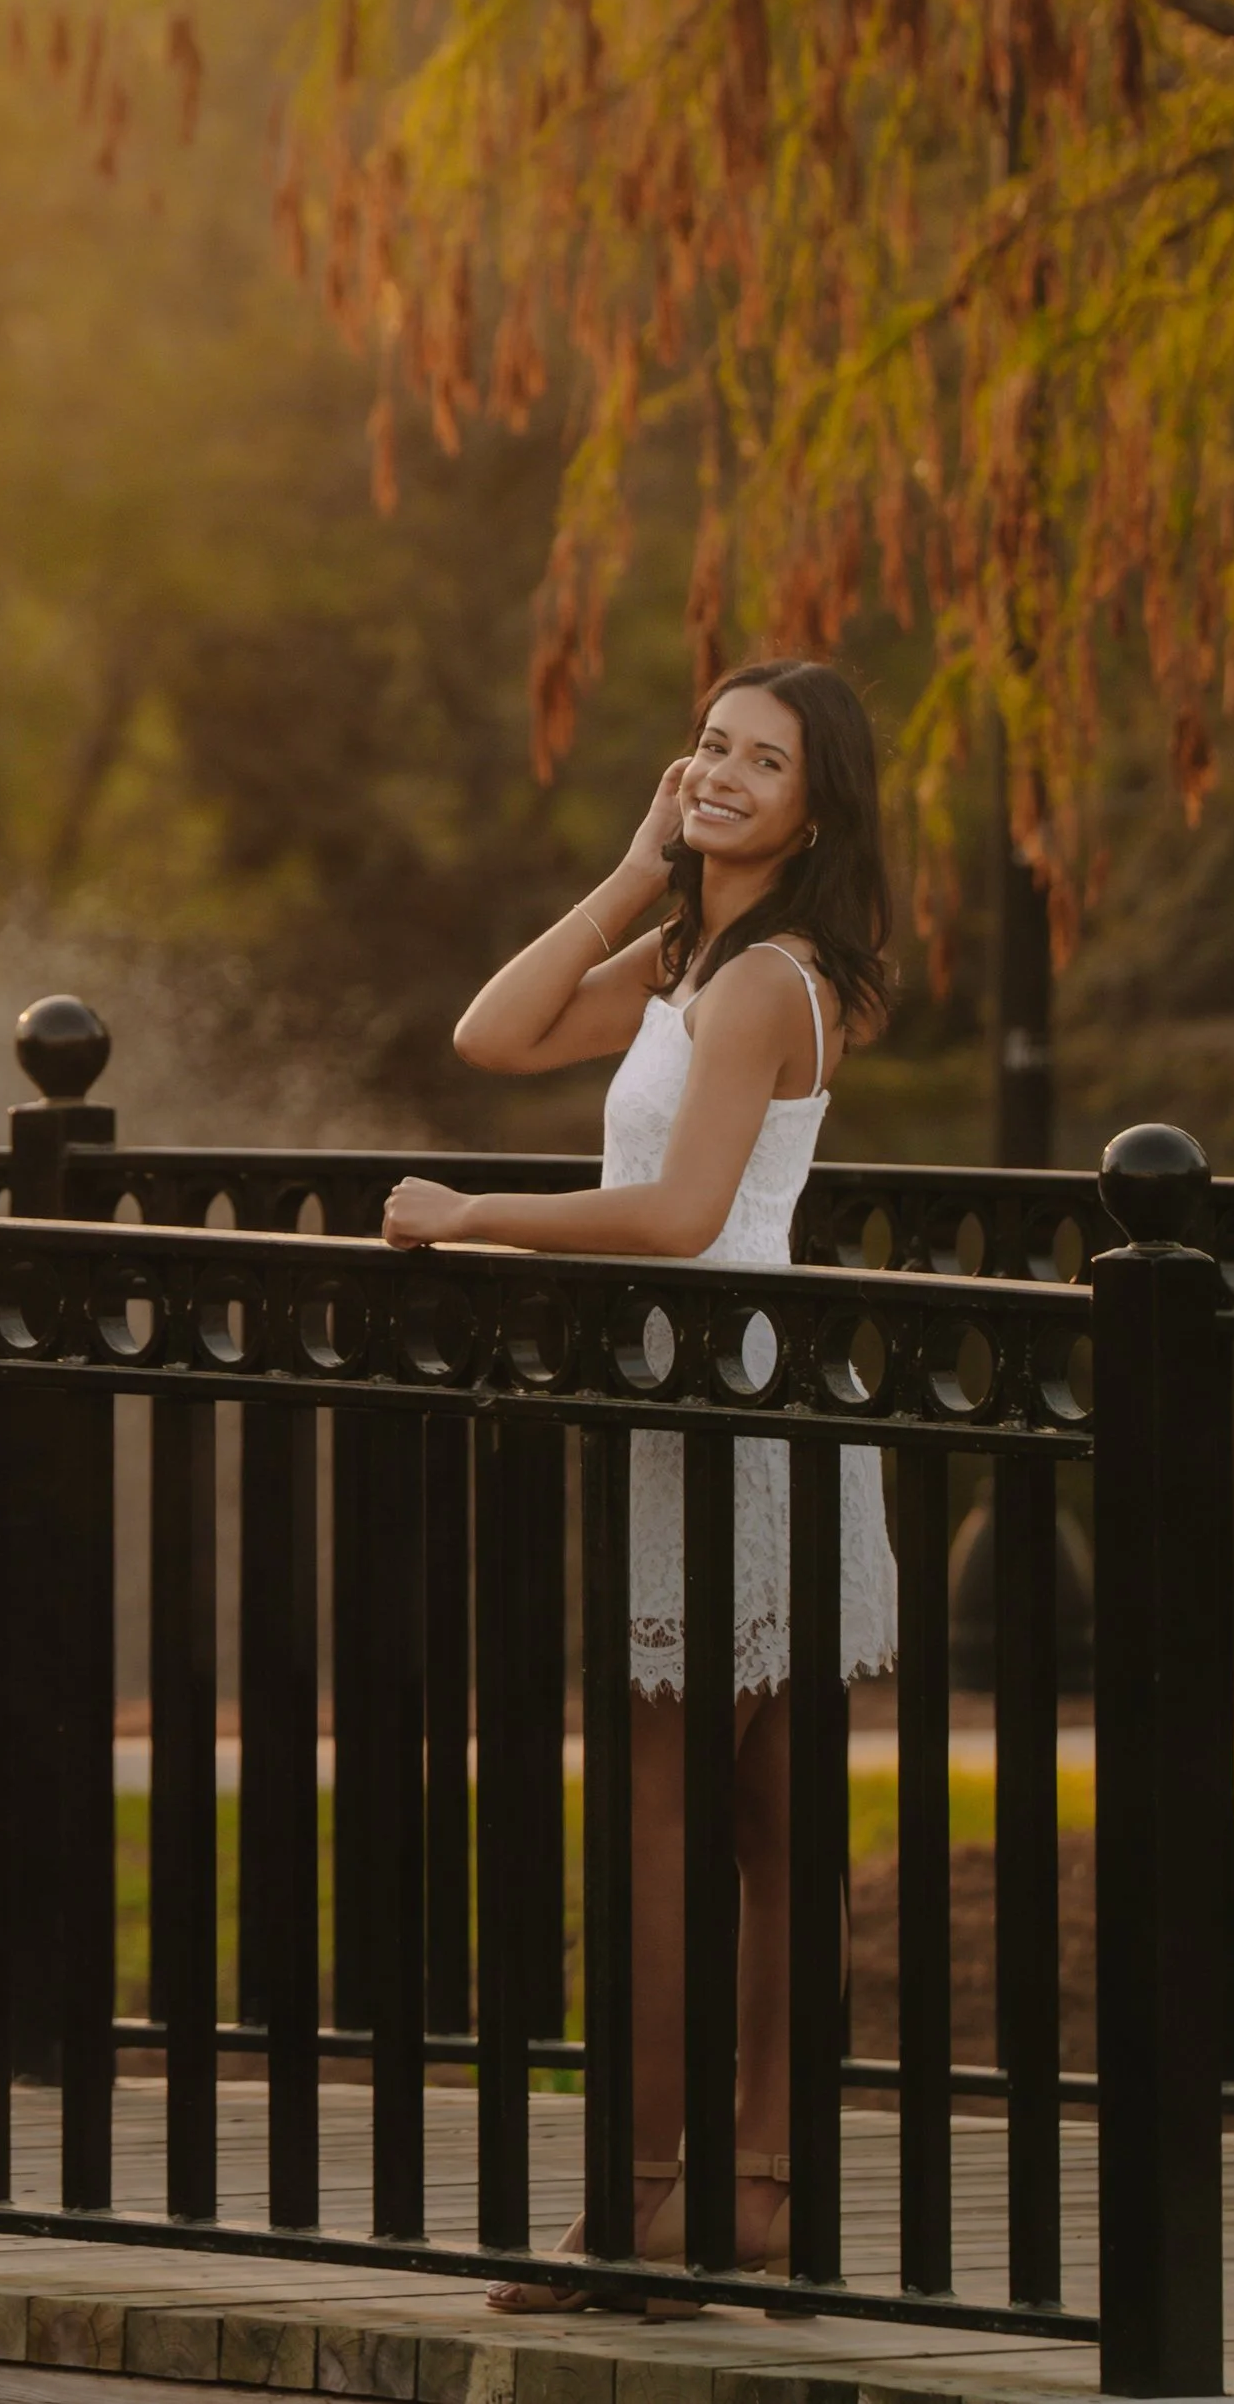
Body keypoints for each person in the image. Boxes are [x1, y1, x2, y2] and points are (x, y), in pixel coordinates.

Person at [381, 657, 898, 2308]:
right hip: (721, 1400)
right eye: (711, 746)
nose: (725, 773)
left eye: (766, 762)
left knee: (674, 1828)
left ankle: (643, 2204)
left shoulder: (766, 987)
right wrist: (631, 873)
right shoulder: (696, 962)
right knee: (758, 1831)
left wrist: (473, 1218)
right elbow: (496, 1031)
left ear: (818, 811)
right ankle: (749, 2199)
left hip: (725, 1406)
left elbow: (681, 1217)